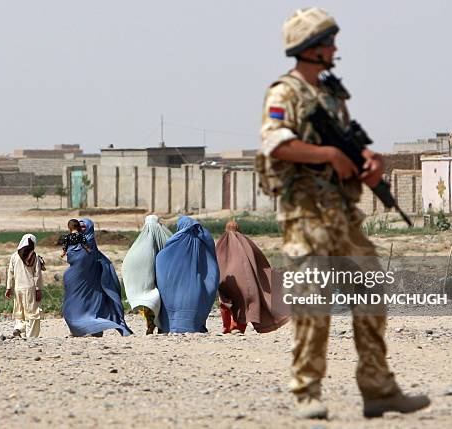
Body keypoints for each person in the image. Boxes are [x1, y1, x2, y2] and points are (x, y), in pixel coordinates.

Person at [255, 7, 430, 419]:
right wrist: (329, 154)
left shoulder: (331, 95)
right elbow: (275, 143)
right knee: (312, 303)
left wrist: (369, 161)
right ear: (310, 49)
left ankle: (378, 388)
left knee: (371, 293)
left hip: (342, 216)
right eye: (328, 42)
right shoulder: (284, 92)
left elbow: (351, 144)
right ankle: (307, 392)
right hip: (306, 216)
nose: (335, 48)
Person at [216, 220, 289, 334]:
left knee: (225, 302)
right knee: (243, 303)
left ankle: (227, 327)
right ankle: (238, 327)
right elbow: (260, 262)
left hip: (227, 281)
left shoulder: (222, 244)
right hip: (245, 283)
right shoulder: (247, 243)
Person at [62, 218, 132, 337]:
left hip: (91, 282)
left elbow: (83, 258)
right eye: (79, 226)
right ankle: (78, 330)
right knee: (73, 306)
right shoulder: (74, 240)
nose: (81, 229)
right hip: (76, 281)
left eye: (83, 227)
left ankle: (95, 330)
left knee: (92, 307)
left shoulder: (89, 242)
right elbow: (71, 256)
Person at [155, 216, 219, 333]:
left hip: (174, 288)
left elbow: (161, 260)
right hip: (196, 285)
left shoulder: (173, 242)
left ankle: (169, 327)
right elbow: (212, 265)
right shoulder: (202, 242)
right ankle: (196, 327)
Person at [121, 215, 172, 334]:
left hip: (149, 279)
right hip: (164, 278)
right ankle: (160, 325)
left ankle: (151, 324)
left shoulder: (140, 244)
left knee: (149, 300)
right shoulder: (168, 239)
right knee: (162, 300)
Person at [5, 234, 44, 338]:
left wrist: (9, 287)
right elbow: (37, 274)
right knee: (33, 313)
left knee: (19, 310)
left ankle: (19, 328)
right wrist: (39, 289)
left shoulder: (14, 256)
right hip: (30, 288)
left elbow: (10, 273)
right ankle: (31, 336)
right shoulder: (34, 256)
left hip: (18, 288)